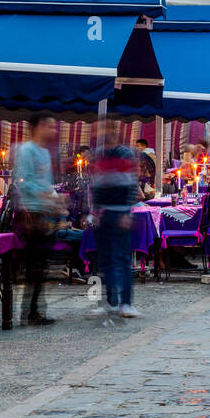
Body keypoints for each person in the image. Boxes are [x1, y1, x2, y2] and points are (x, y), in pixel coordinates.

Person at [13, 115, 65, 326]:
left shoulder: (45, 153)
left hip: (46, 213)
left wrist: (55, 197)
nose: (53, 131)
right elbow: (23, 180)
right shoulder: (26, 151)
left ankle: (34, 309)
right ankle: (30, 311)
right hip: (32, 214)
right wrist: (44, 194)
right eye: (49, 126)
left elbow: (46, 182)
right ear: (37, 127)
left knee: (42, 265)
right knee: (36, 265)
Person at [89, 121, 141, 318]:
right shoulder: (99, 154)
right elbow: (95, 185)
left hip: (120, 213)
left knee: (122, 259)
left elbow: (132, 184)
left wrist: (127, 212)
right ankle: (111, 302)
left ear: (114, 132)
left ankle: (126, 303)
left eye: (107, 129)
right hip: (103, 214)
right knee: (106, 260)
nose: (104, 133)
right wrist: (94, 211)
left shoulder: (125, 154)